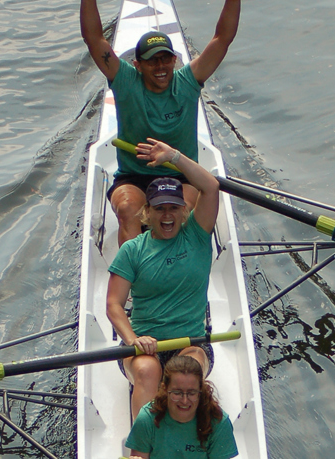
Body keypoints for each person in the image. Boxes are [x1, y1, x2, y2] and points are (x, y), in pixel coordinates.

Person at [80, 0, 241, 245]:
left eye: (166, 59)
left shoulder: (188, 81)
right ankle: (134, 274)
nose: (160, 66)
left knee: (179, 212)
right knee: (126, 209)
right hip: (134, 176)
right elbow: (93, 39)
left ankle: (173, 268)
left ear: (175, 60)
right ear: (137, 65)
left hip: (182, 175)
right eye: (152, 61)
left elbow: (223, 38)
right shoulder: (125, 80)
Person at [106, 137, 219, 420]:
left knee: (186, 372)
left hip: (191, 341)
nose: (166, 215)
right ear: (148, 212)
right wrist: (133, 339)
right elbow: (114, 305)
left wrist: (175, 157)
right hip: (144, 344)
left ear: (184, 211)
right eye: (159, 209)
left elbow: (211, 186)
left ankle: (186, 440)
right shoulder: (133, 250)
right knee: (148, 371)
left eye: (173, 208)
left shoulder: (197, 234)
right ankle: (142, 445)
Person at [125, 355, 239, 459]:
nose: (184, 401)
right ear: (165, 389)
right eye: (177, 393)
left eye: (191, 393)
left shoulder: (218, 422)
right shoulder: (146, 418)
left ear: (200, 391)